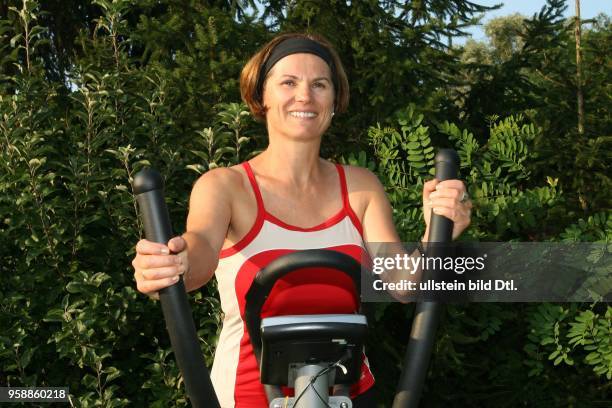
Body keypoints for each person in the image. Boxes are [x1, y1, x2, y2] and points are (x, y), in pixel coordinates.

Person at [132, 32, 472, 407]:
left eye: (319, 84)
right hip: (247, 396)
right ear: (261, 95)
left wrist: (437, 233)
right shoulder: (225, 186)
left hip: (348, 395)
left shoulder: (361, 187)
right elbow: (197, 259)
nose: (304, 96)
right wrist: (171, 263)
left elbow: (402, 284)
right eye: (288, 82)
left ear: (334, 99)